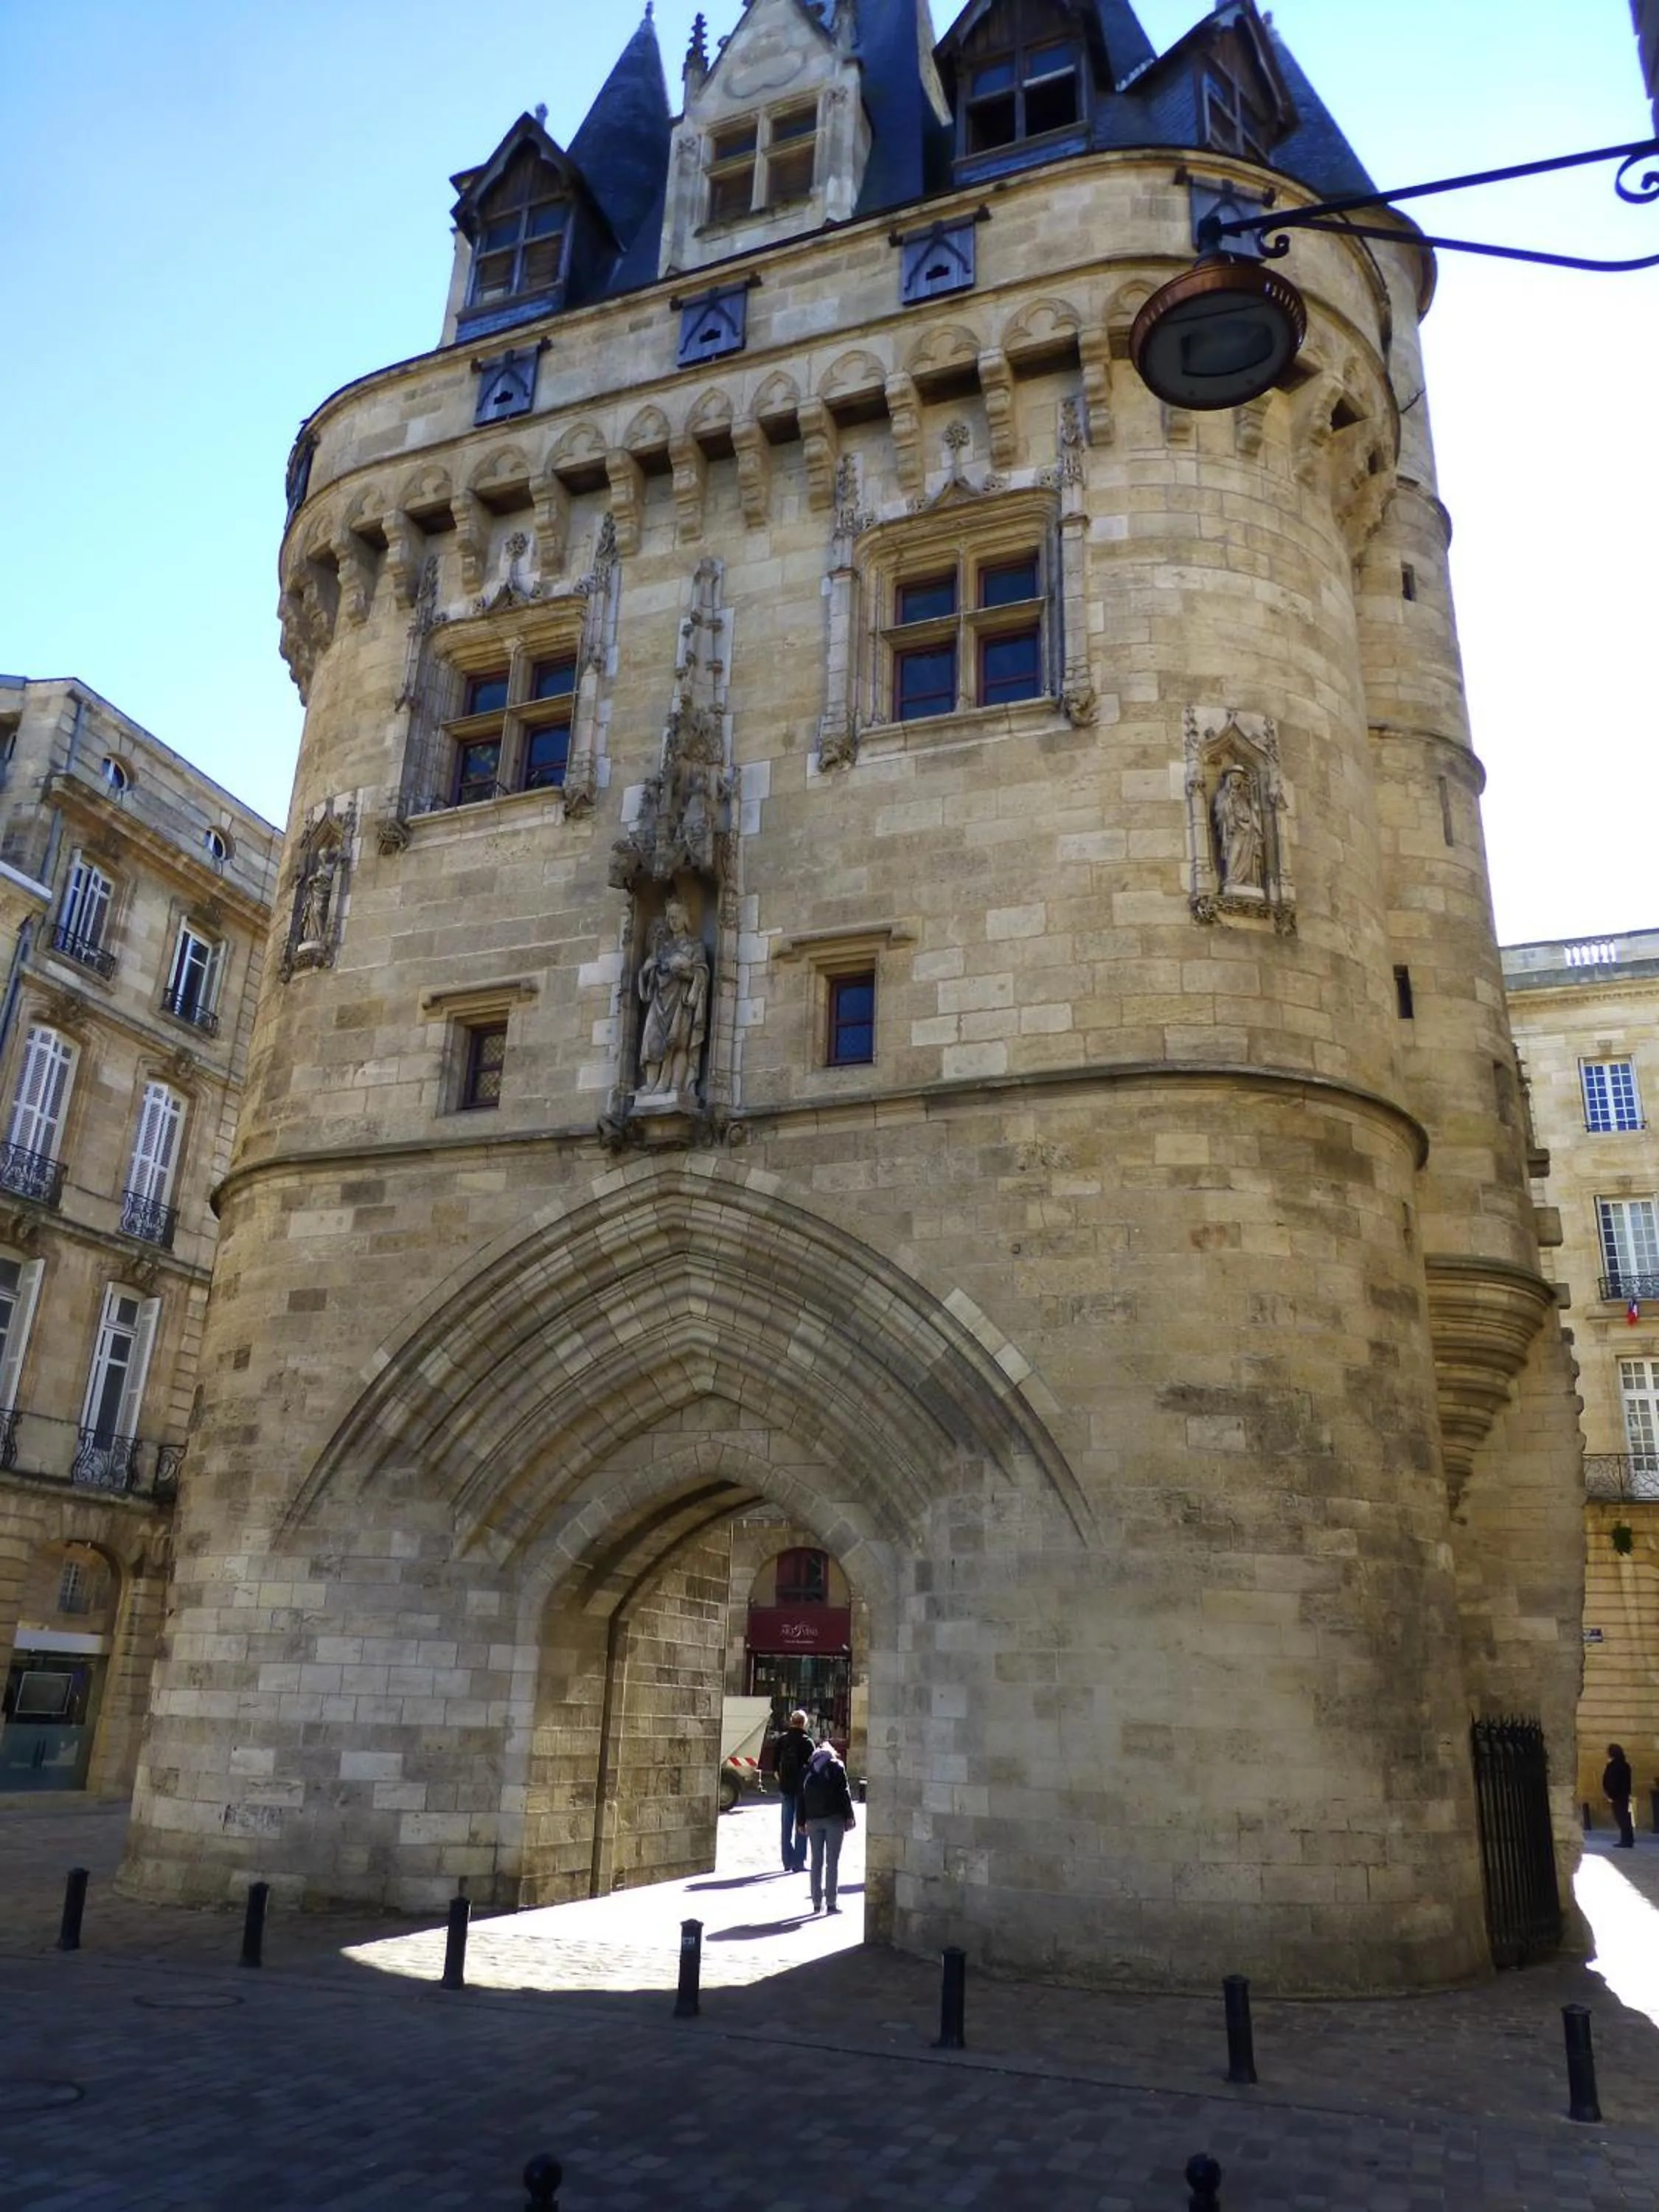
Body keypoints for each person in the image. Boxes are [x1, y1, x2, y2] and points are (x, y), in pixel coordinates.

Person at [799, 1739, 856, 1914]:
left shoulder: (807, 1770)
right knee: (832, 1862)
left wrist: (801, 1821)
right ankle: (831, 1902)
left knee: (816, 1861)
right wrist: (849, 1816)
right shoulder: (837, 1767)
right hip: (834, 1819)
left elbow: (801, 1797)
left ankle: (816, 1902)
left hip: (813, 1819)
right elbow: (844, 1793)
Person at [773, 1709, 813, 1874]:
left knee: (786, 1824)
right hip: (801, 1789)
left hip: (785, 1787)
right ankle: (799, 1861)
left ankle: (786, 1860)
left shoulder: (782, 1740)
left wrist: (781, 1780)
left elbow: (775, 1766)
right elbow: (812, 1768)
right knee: (801, 1823)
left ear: (791, 1721)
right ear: (804, 1723)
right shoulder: (807, 1742)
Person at [1604, 1742, 1636, 1848]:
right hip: (1624, 1795)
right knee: (1625, 1818)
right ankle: (1628, 1839)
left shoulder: (1614, 1766)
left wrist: (1611, 1794)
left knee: (1621, 1818)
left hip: (1617, 1796)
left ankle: (1626, 1841)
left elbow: (1611, 1781)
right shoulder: (1625, 1765)